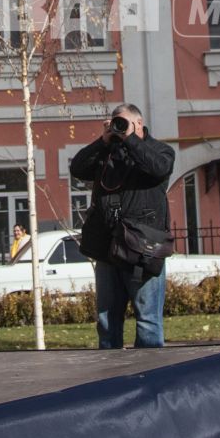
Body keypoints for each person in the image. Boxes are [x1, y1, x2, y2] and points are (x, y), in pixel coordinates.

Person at [71, 104, 176, 348]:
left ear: (139, 123)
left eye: (123, 123)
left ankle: (150, 378)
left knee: (148, 321)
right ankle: (111, 379)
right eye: (115, 123)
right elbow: (77, 168)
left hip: (142, 249)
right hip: (107, 248)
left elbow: (158, 168)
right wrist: (103, 141)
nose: (119, 128)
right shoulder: (108, 152)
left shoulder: (160, 151)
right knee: (107, 321)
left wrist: (130, 139)